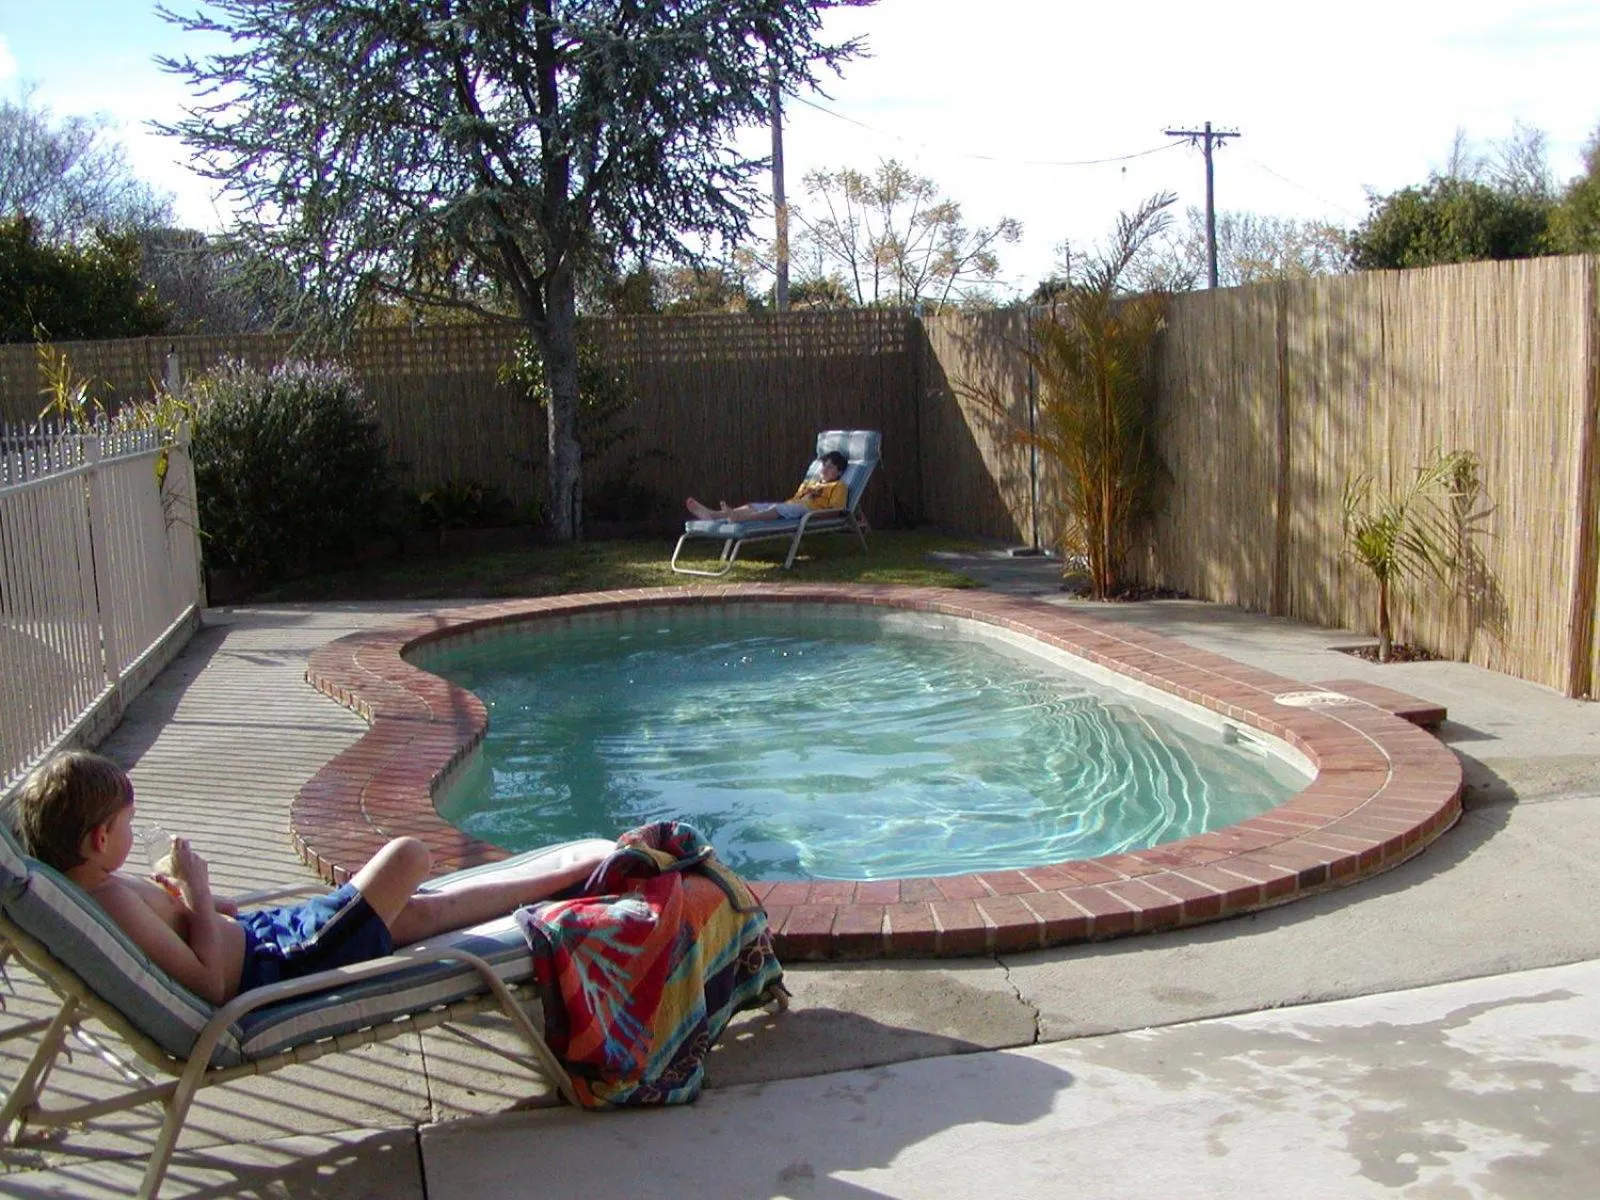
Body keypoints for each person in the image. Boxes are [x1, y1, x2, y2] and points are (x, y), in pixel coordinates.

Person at [9, 751, 608, 1005]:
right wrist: (193, 889)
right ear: (98, 840)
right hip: (291, 959)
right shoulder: (109, 898)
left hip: (277, 934)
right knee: (408, 856)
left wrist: (193, 898)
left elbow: (218, 920)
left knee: (422, 914)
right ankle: (577, 870)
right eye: (127, 825)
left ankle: (570, 876)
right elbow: (213, 984)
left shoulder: (91, 887)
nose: (133, 835)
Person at [686, 449, 848, 523]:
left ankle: (739, 518)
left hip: (809, 511)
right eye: (824, 465)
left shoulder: (838, 486)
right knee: (754, 506)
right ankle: (714, 515)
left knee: (777, 510)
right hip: (792, 506)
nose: (825, 469)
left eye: (831, 467)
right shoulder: (810, 483)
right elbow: (794, 499)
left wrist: (811, 516)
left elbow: (836, 511)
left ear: (839, 472)